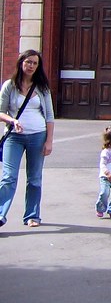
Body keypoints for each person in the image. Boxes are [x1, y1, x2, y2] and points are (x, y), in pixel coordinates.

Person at [0, 49, 55, 228]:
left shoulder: (42, 88)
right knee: (8, 177)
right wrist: (12, 120)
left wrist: (49, 141)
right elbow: (0, 111)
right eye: (28, 62)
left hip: (38, 136)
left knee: (34, 178)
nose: (30, 65)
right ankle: (0, 215)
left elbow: (49, 117)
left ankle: (32, 216)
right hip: (14, 138)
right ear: (21, 63)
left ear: (38, 67)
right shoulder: (10, 85)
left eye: (34, 63)